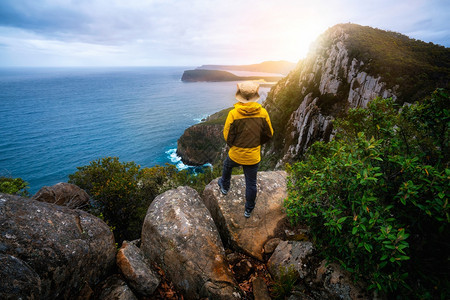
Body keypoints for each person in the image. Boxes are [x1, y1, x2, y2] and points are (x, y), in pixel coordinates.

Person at [218, 81, 273, 218]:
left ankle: (224, 187)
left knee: (227, 165)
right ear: (255, 95)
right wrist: (256, 144)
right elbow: (269, 134)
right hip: (253, 156)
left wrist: (236, 146)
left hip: (236, 154)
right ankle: (248, 209)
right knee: (251, 183)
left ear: (239, 96)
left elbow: (227, 136)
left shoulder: (233, 114)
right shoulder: (263, 113)